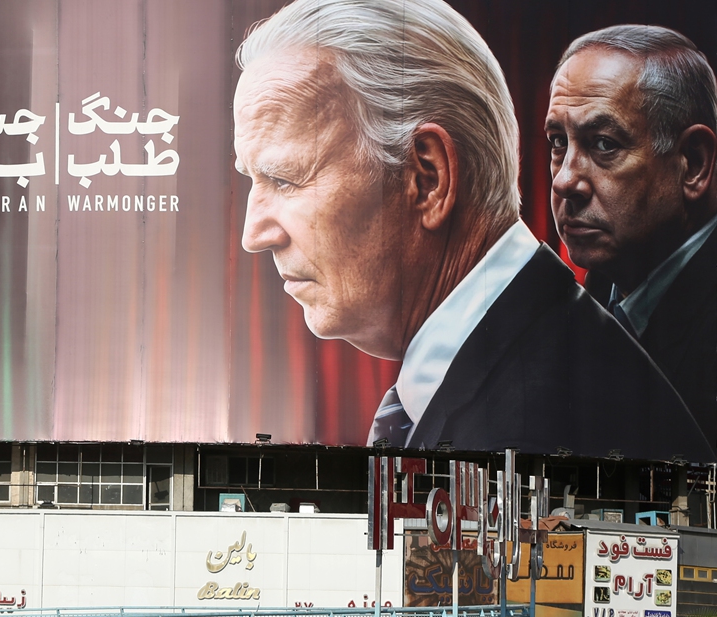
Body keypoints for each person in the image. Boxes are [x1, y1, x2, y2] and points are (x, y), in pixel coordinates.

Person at [233, 0, 712, 461]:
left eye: (284, 179)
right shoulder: (542, 354)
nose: (253, 234)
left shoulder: (548, 417)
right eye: (557, 144)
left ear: (427, 177)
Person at [547, 26, 717, 451]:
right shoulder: (607, 277)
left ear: (692, 164)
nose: (565, 180)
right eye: (557, 142)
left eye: (603, 144)